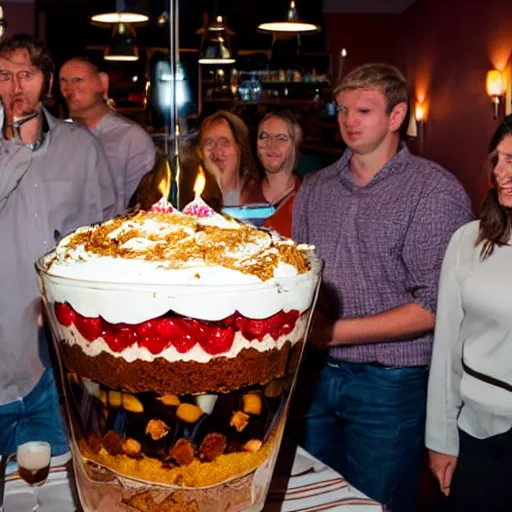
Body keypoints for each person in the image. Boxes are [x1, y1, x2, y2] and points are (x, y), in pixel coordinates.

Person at [292, 62, 473, 511]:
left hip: (389, 384)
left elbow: (435, 307)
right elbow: (299, 277)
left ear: (396, 117)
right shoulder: (315, 188)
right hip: (314, 376)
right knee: (308, 500)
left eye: (364, 111)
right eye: (343, 110)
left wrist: (335, 333)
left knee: (376, 505)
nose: (349, 121)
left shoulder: (433, 191)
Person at [0, 34, 116, 456]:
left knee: (55, 490)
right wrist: (13, 144)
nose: (15, 86)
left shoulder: (81, 146)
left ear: (46, 83)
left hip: (57, 362)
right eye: (4, 75)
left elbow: (103, 239)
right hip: (2, 356)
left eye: (26, 75)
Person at [426, 114, 512, 512]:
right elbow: (446, 349)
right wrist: (441, 439)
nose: (500, 173)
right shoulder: (468, 241)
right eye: (497, 160)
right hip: (477, 434)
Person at [59, 56, 156, 210]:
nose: (69, 88)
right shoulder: (58, 138)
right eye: (63, 81)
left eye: (77, 80)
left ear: (103, 83)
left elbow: (142, 204)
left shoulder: (130, 138)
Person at [199, 110, 262, 206]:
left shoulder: (259, 197)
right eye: (209, 143)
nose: (216, 151)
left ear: (240, 149)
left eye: (224, 143)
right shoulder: (191, 199)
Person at [257, 110, 302, 237]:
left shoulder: (308, 200)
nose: (271, 145)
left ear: (295, 146)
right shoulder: (243, 194)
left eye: (281, 139)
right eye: (264, 137)